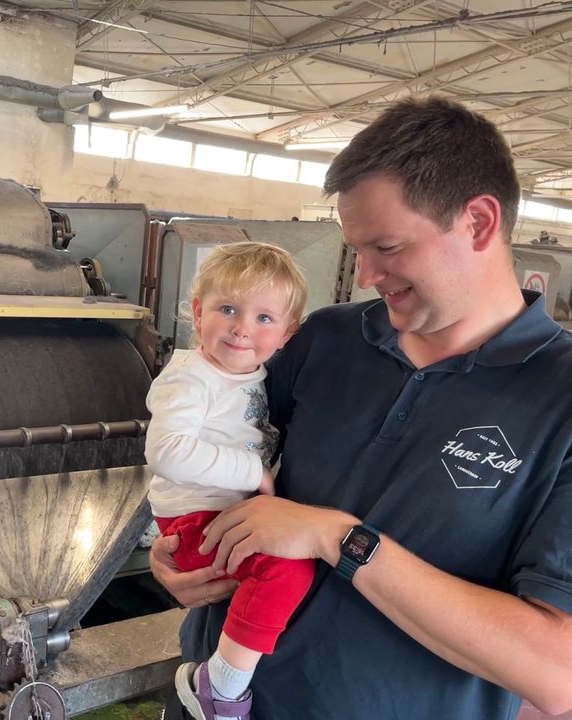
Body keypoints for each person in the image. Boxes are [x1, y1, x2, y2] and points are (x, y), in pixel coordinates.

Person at [150, 96, 572, 720]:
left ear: (479, 222)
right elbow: (212, 435)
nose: (367, 273)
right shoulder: (328, 339)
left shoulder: (558, 397)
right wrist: (176, 555)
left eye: (389, 247)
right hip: (212, 703)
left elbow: (556, 672)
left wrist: (337, 538)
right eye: (357, 248)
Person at [146, 242, 314, 720]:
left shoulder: (251, 376)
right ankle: (219, 686)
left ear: (288, 333)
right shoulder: (191, 378)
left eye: (264, 318)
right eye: (228, 309)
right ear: (198, 313)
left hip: (218, 509)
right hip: (196, 515)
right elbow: (166, 450)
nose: (243, 327)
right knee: (287, 569)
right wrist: (255, 473)